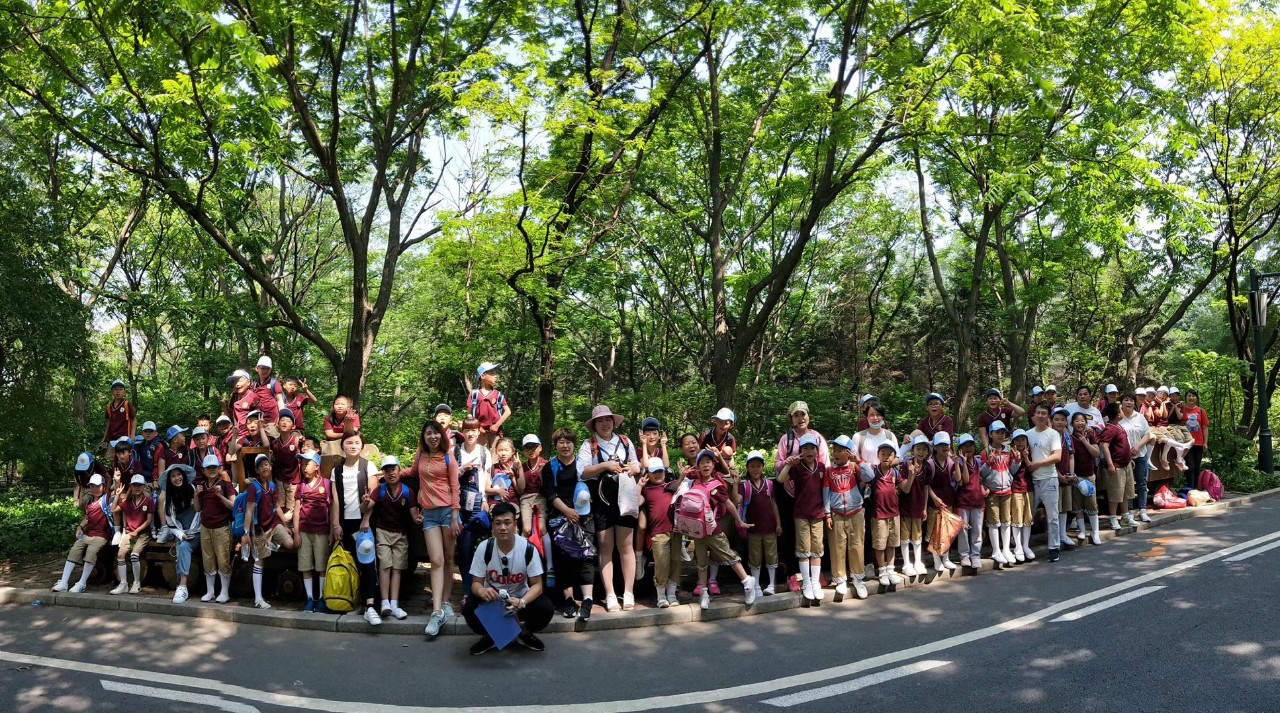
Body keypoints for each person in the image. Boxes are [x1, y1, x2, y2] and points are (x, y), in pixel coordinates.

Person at [464, 501, 554, 655]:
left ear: (515, 525)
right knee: (468, 606)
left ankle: (523, 633)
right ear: (492, 526)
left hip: (519, 601)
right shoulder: (484, 547)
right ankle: (491, 635)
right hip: (493, 601)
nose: (503, 527)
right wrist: (482, 591)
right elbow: (475, 583)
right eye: (498, 523)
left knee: (545, 608)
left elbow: (537, 585)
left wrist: (522, 601)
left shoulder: (527, 548)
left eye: (507, 522)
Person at [579, 405, 641, 613]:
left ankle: (629, 591)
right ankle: (610, 593)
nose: (605, 424)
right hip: (601, 499)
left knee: (626, 546)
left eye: (608, 420)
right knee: (605, 547)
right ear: (594, 425)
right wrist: (605, 466)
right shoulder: (589, 445)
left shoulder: (625, 441)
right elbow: (584, 471)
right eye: (600, 421)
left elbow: (638, 465)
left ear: (614, 422)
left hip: (625, 496)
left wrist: (631, 468)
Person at [680, 449, 757, 610]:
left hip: (713, 529)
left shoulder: (717, 485)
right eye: (702, 462)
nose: (705, 465)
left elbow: (729, 504)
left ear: (713, 465)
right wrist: (683, 472)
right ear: (698, 465)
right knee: (701, 563)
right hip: (697, 530)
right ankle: (704, 593)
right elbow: (685, 478)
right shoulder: (696, 481)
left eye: (708, 462)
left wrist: (739, 520)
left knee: (729, 556)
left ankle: (747, 582)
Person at [406, 420, 461, 638]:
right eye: (429, 433)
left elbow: (455, 488)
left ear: (442, 436)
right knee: (436, 560)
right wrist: (389, 474)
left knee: (448, 559)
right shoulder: (420, 455)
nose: (433, 437)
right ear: (424, 436)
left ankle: (446, 601)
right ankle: (437, 611)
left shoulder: (449, 457)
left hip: (448, 512)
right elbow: (412, 472)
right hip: (428, 514)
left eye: (436, 433)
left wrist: (456, 516)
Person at [542, 427, 596, 621]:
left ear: (574, 443)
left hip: (584, 517)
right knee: (563, 559)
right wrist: (567, 511)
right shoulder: (550, 467)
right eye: (561, 442)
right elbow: (550, 494)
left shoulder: (583, 466)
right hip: (560, 517)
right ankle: (569, 600)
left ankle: (588, 600)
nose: (565, 446)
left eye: (568, 442)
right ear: (556, 445)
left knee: (586, 557)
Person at [329, 432, 381, 623]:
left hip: (363, 523)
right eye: (349, 443)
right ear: (343, 446)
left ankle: (370, 606)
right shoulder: (337, 470)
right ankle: (355, 603)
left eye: (357, 443)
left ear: (362, 446)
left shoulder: (368, 466)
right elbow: (335, 500)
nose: (353, 446)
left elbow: (373, 496)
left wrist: (366, 517)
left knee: (367, 565)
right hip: (344, 523)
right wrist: (335, 524)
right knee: (350, 564)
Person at [777, 432, 826, 606]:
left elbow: (826, 490)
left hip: (818, 513)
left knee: (817, 548)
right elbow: (781, 479)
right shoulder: (797, 468)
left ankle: (814, 582)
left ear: (817, 450)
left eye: (812, 448)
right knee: (803, 548)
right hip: (801, 514)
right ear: (801, 451)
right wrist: (788, 464)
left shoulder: (821, 467)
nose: (809, 451)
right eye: (805, 448)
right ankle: (806, 582)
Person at [862, 436, 915, 588]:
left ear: (894, 457)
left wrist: (911, 476)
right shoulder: (873, 472)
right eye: (883, 453)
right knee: (880, 544)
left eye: (889, 454)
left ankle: (891, 569)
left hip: (894, 513)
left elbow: (905, 488)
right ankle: (882, 569)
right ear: (878, 455)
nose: (886, 457)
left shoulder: (895, 473)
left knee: (891, 543)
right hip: (878, 514)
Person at [242, 454, 293, 609]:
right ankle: (258, 598)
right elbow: (249, 511)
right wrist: (246, 533)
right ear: (257, 470)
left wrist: (285, 523)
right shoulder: (253, 487)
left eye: (267, 464)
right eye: (261, 465)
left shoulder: (271, 486)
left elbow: (276, 506)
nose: (265, 467)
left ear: (271, 467)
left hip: (273, 525)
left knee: (290, 544)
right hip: (259, 529)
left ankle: (272, 545)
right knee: (260, 560)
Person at [369, 456, 414, 621]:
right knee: (385, 566)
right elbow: (367, 507)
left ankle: (394, 604)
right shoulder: (380, 490)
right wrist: (365, 504)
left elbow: (414, 515)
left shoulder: (408, 491)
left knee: (397, 569)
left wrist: (419, 519)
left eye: (393, 469)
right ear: (383, 474)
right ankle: (385, 603)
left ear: (399, 470)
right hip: (383, 532)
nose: (390, 473)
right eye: (386, 471)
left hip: (401, 534)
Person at [52, 473, 113, 594]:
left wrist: (115, 479)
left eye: (98, 486)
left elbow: (114, 487)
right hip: (87, 534)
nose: (95, 489)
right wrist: (79, 527)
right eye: (92, 486)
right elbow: (87, 518)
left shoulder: (106, 499)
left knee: (91, 552)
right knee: (75, 549)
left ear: (104, 486)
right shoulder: (89, 501)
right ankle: (64, 582)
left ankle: (82, 583)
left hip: (101, 536)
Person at [824, 436, 868, 599]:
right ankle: (840, 579)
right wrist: (827, 513)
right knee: (837, 546)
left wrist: (859, 460)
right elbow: (825, 493)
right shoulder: (829, 471)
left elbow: (870, 476)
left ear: (849, 453)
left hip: (856, 511)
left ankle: (858, 578)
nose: (836, 453)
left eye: (840, 450)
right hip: (836, 513)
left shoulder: (855, 467)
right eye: (834, 450)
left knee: (857, 545)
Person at [457, 417, 494, 600]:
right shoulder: (455, 451)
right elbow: (448, 478)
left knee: (479, 546)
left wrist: (486, 499)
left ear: (479, 431)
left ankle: (483, 586)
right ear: (462, 432)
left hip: (478, 503)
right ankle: (467, 591)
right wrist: (463, 468)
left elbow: (487, 478)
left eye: (474, 430)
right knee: (464, 547)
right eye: (467, 430)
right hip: (458, 504)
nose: (470, 433)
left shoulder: (485, 452)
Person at [291, 451, 333, 612]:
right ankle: (310, 598)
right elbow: (296, 510)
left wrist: (331, 531)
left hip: (322, 531)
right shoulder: (301, 487)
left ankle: (321, 597)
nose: (303, 468)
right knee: (305, 565)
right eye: (302, 464)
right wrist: (296, 532)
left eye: (306, 464)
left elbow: (331, 507)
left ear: (317, 466)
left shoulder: (327, 484)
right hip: (304, 532)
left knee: (321, 566)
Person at [638, 457, 679, 606]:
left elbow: (681, 486)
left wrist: (682, 475)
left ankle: (672, 594)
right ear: (648, 474)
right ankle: (661, 595)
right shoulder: (646, 490)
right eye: (654, 472)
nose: (658, 474)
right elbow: (636, 502)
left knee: (675, 562)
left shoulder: (670, 486)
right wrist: (639, 486)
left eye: (660, 471)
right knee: (661, 563)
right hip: (658, 532)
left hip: (675, 531)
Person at [740, 450, 781, 597]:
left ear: (762, 467)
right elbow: (738, 502)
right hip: (753, 528)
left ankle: (771, 584)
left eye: (758, 466)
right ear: (747, 468)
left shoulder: (769, 484)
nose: (755, 469)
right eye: (752, 466)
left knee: (771, 555)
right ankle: (756, 585)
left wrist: (778, 523)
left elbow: (774, 504)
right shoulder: (745, 487)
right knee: (755, 557)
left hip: (769, 527)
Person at [1026, 403, 1064, 561]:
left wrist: (1037, 464)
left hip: (1049, 479)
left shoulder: (1053, 434)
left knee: (1052, 516)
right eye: (1038, 413)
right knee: (1027, 516)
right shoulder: (1027, 434)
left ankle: (1054, 547)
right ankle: (1024, 547)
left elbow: (1057, 456)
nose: (1040, 416)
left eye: (1043, 413)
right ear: (1034, 415)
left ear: (1048, 416)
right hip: (1031, 482)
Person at [158, 464, 201, 604]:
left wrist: (192, 531)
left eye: (178, 474)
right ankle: (182, 586)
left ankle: (182, 586)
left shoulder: (192, 489)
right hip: (182, 534)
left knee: (183, 547)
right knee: (182, 547)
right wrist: (182, 535)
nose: (177, 478)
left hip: (198, 531)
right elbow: (171, 525)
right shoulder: (168, 501)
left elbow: (199, 513)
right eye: (173, 476)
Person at [196, 453, 235, 603]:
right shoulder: (202, 486)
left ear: (219, 468)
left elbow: (233, 506)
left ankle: (224, 592)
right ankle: (210, 591)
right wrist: (196, 494)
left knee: (223, 559)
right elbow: (198, 508)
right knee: (208, 559)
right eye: (208, 468)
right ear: (204, 470)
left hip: (222, 527)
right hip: (205, 526)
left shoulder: (226, 484)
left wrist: (220, 496)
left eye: (214, 467)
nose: (211, 470)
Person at [110, 474, 153, 595]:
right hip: (128, 533)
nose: (137, 488)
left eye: (139, 485)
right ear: (131, 487)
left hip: (143, 534)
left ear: (144, 487)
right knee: (120, 555)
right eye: (134, 485)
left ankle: (137, 582)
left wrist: (137, 531)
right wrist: (117, 495)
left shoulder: (148, 501)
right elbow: (113, 510)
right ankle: (123, 584)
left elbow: (148, 520)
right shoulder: (127, 502)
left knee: (134, 555)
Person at [980, 421, 1016, 566]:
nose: (1001, 435)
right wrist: (988, 463)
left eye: (1003, 432)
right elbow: (981, 474)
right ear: (990, 434)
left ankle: (1006, 549)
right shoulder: (986, 452)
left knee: (1006, 521)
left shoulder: (1009, 451)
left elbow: (1012, 471)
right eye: (997, 432)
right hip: (993, 492)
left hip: (1007, 490)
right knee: (994, 521)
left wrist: (1017, 462)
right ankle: (996, 550)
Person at [898, 433, 931, 576]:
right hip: (906, 506)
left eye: (924, 449)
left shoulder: (927, 467)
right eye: (918, 449)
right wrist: (911, 475)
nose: (921, 452)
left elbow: (926, 488)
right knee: (905, 536)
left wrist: (924, 508)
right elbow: (905, 488)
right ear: (913, 450)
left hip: (918, 506)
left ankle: (918, 562)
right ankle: (906, 564)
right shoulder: (906, 465)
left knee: (917, 535)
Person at [1118, 393, 1153, 524]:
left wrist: (1138, 446)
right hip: (1124, 458)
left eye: (1131, 400)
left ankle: (1143, 511)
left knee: (1142, 483)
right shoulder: (1118, 418)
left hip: (1140, 455)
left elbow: (1147, 434)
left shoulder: (1140, 417)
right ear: (1121, 403)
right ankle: (1129, 512)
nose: (1129, 402)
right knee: (1128, 485)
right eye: (1126, 400)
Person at [925, 435, 959, 571]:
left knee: (947, 531)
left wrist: (956, 463)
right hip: (934, 504)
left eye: (947, 445)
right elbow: (926, 485)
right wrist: (934, 498)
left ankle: (946, 558)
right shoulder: (930, 464)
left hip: (948, 501)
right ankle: (936, 559)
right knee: (934, 531)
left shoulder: (951, 462)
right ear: (935, 447)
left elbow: (958, 478)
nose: (945, 448)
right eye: (941, 445)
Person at [1098, 402, 1133, 530]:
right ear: (1118, 414)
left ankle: (1125, 517)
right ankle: (1113, 518)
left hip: (1126, 464)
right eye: (1121, 409)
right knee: (1115, 493)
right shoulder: (1109, 428)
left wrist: (1129, 459)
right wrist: (1110, 464)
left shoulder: (1119, 426)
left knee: (1125, 492)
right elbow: (1104, 446)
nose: (1123, 411)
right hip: (1116, 466)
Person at [262, 407, 303, 517]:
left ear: (293, 426)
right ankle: (283, 526)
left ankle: (293, 528)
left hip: (293, 479)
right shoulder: (275, 443)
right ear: (277, 424)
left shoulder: (296, 441)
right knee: (280, 504)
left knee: (292, 506)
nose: (285, 422)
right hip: (279, 478)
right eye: (282, 420)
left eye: (288, 421)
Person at [1070, 413, 1103, 545]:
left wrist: (1084, 441)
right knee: (1077, 505)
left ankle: (1095, 532)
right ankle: (1082, 530)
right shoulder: (1069, 437)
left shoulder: (1090, 435)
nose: (1080, 423)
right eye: (1076, 421)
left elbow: (1096, 453)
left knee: (1091, 504)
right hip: (1076, 477)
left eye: (1082, 421)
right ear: (1072, 423)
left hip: (1089, 475)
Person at [954, 433, 985, 569]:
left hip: (978, 500)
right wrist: (963, 462)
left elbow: (983, 477)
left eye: (970, 445)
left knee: (977, 529)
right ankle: (964, 555)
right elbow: (963, 480)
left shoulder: (978, 462)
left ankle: (976, 554)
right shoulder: (957, 464)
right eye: (965, 446)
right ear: (960, 448)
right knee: (963, 530)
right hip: (963, 500)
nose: (968, 448)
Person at [1051, 408, 1080, 551]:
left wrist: (1071, 474)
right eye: (1057, 419)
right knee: (1054, 508)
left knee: (1064, 507)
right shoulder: (1049, 436)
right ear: (1051, 421)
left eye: (1063, 419)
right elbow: (1048, 459)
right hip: (1052, 477)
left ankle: (1063, 534)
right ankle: (1055, 536)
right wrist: (1059, 476)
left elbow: (1071, 456)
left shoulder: (1068, 437)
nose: (1060, 422)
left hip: (1066, 477)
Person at [469, 361, 511, 449]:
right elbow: (469, 414)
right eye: (492, 373)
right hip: (479, 433)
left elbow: (508, 411)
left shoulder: (498, 394)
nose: (495, 376)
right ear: (483, 376)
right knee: (480, 457)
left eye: (495, 374)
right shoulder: (474, 394)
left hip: (495, 433)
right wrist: (477, 427)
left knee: (495, 458)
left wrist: (497, 425)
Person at [517, 434, 548, 541]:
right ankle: (521, 555)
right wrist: (519, 469)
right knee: (526, 529)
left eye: (534, 446)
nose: (530, 450)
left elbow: (548, 488)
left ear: (540, 447)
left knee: (542, 528)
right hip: (526, 498)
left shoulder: (546, 465)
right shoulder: (523, 466)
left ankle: (549, 558)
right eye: (527, 447)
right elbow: (521, 489)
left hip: (541, 497)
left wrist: (542, 474)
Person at [1009, 430, 1032, 561]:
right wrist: (1017, 460)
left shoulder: (1029, 452)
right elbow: (1011, 471)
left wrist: (1026, 457)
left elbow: (1032, 468)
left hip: (1028, 488)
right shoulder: (1011, 454)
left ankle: (1026, 545)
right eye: (1017, 440)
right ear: (1013, 442)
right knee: (1017, 518)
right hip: (1016, 488)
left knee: (1027, 518)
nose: (1021, 443)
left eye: (1023, 440)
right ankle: (1018, 546)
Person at [251, 355, 287, 437]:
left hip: (273, 421)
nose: (265, 371)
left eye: (268, 368)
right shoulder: (254, 385)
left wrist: (281, 416)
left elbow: (280, 400)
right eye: (262, 368)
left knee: (273, 440)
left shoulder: (274, 383)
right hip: (259, 421)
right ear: (257, 369)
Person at [1183, 389, 1209, 488]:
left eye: (1193, 396)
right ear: (1185, 398)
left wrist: (1205, 442)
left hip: (1199, 443)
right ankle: (1190, 488)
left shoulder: (1201, 411)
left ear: (1197, 399)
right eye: (1189, 395)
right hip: (1186, 443)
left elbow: (1205, 428)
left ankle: (1196, 488)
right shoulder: (1182, 410)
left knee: (1197, 467)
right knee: (1190, 466)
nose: (1191, 398)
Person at [699, 408, 737, 475]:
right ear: (716, 421)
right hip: (706, 465)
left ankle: (723, 473)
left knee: (727, 450)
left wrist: (732, 469)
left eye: (726, 423)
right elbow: (698, 452)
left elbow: (731, 456)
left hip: (722, 465)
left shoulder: (730, 438)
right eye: (720, 421)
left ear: (731, 425)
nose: (723, 425)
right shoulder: (705, 435)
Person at [99, 379, 136, 449]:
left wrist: (132, 434)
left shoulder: (126, 404)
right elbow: (108, 422)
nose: (118, 391)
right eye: (115, 389)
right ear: (112, 392)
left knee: (123, 458)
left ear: (124, 392)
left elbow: (134, 419)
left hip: (125, 438)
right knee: (111, 457)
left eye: (120, 389)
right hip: (112, 439)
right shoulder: (109, 406)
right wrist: (104, 438)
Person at [224, 369, 256, 440]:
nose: (237, 384)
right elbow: (231, 415)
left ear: (248, 382)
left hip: (249, 435)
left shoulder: (252, 397)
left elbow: (258, 416)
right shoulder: (234, 397)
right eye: (235, 381)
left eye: (240, 380)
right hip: (236, 433)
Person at [487, 438, 521, 506]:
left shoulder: (517, 467)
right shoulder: (492, 468)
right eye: (500, 450)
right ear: (496, 452)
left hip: (512, 503)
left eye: (506, 450)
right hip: (495, 504)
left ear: (512, 451)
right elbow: (486, 489)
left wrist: (513, 477)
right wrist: (498, 491)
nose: (503, 453)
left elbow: (520, 492)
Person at [137, 421, 164, 486]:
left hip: (154, 480)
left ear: (156, 433)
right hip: (143, 477)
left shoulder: (158, 445)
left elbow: (157, 463)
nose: (148, 433)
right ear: (142, 433)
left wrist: (155, 479)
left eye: (151, 431)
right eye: (146, 431)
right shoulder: (141, 445)